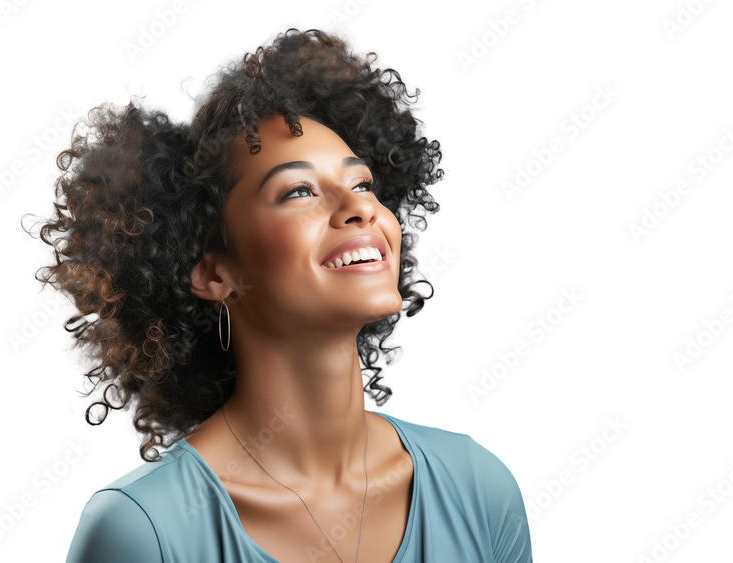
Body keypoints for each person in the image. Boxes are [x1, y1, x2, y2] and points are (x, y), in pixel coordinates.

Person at [33, 28, 533, 563]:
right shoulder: (145, 531)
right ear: (214, 274)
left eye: (362, 184)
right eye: (298, 191)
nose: (359, 207)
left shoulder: (478, 489)